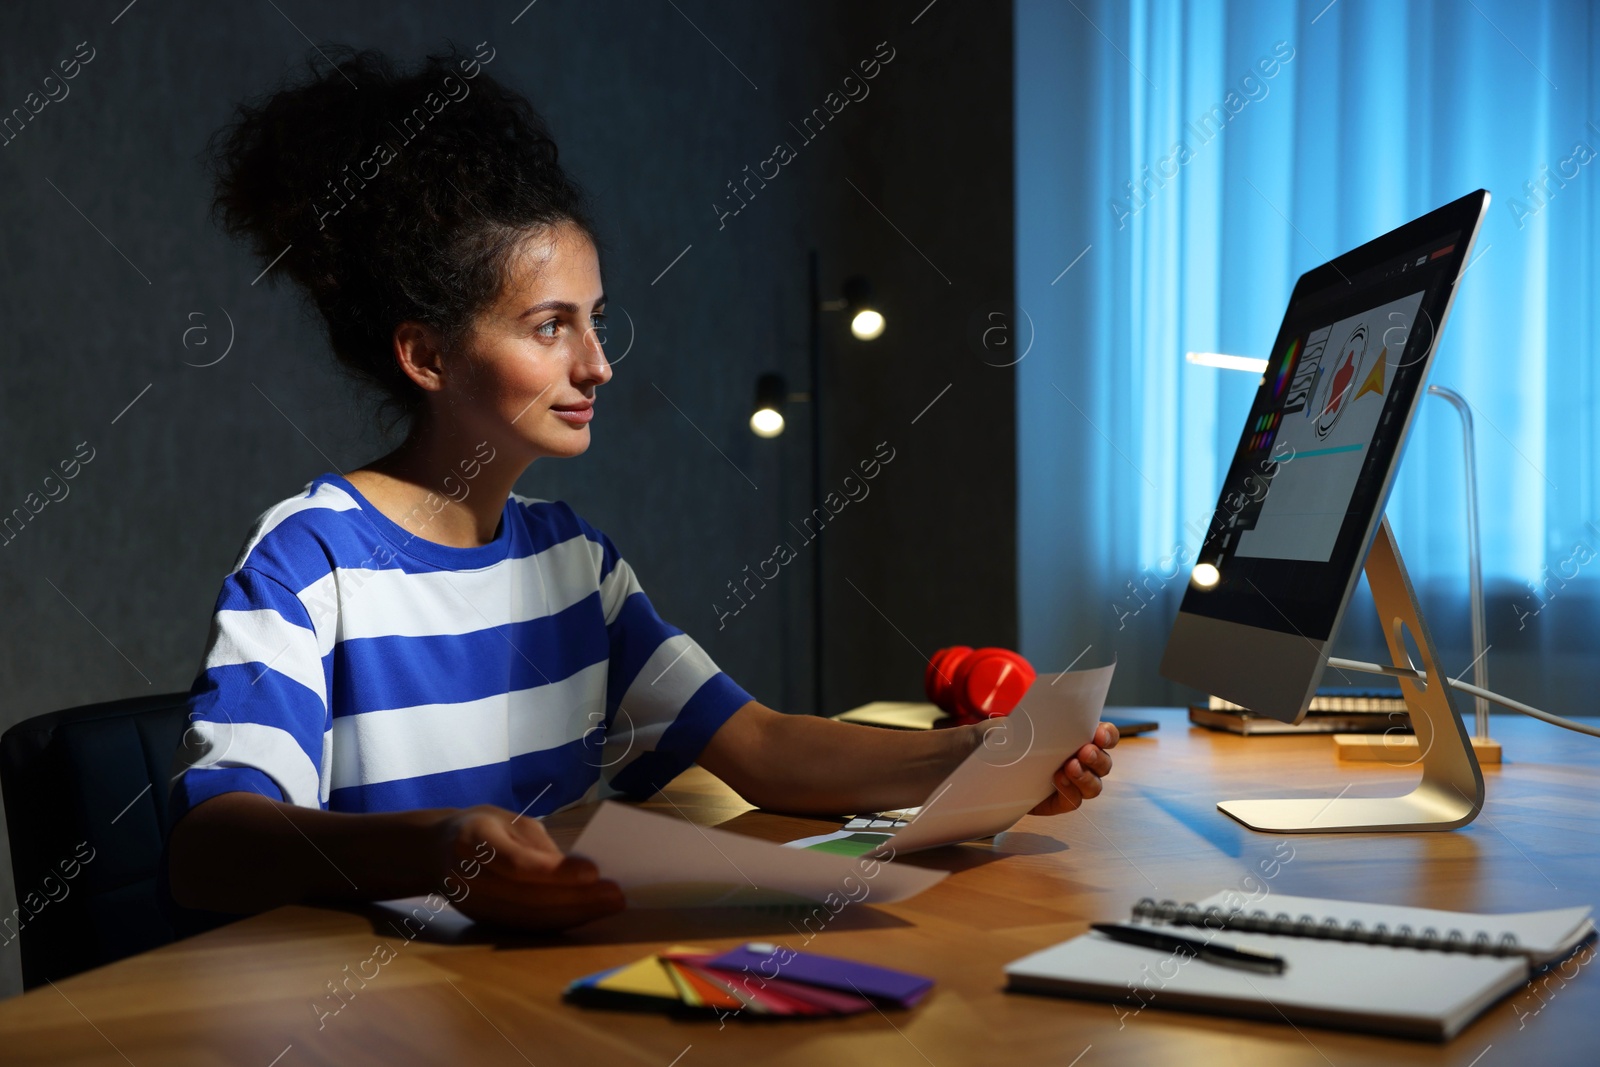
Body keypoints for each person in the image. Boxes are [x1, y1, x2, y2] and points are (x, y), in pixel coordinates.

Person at [165, 44, 1118, 932]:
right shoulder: (309, 560)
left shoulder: (575, 565)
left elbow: (764, 748)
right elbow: (215, 846)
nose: (598, 365)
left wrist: (993, 756)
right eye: (549, 328)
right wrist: (436, 846)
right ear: (427, 354)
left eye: (597, 321)